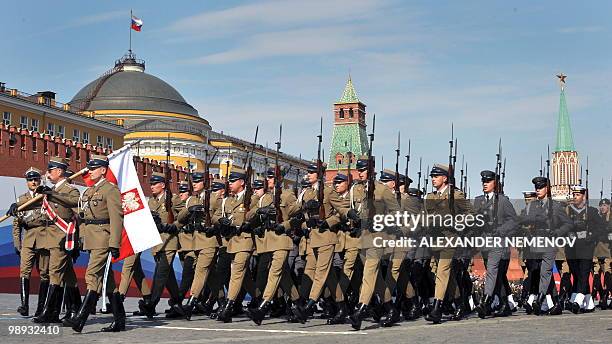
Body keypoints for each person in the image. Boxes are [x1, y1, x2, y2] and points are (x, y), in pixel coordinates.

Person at [64, 155, 124, 332]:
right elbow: (82, 216)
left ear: (103, 170)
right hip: (92, 238)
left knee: (92, 275)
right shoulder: (89, 191)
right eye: (89, 168)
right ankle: (120, 320)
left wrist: (114, 243)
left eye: (93, 168)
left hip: (103, 238)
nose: (89, 171)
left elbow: (116, 218)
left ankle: (80, 318)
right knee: (109, 281)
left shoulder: (110, 190)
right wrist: (82, 237)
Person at [9, 167, 50, 317]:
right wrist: (16, 243)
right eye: (30, 180)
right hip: (28, 239)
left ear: (39, 180)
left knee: (45, 273)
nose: (33, 182)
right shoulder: (21, 199)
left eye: (36, 179)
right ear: (26, 182)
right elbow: (16, 224)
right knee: (24, 271)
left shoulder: (46, 195)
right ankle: (24, 305)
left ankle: (41, 308)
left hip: (44, 238)